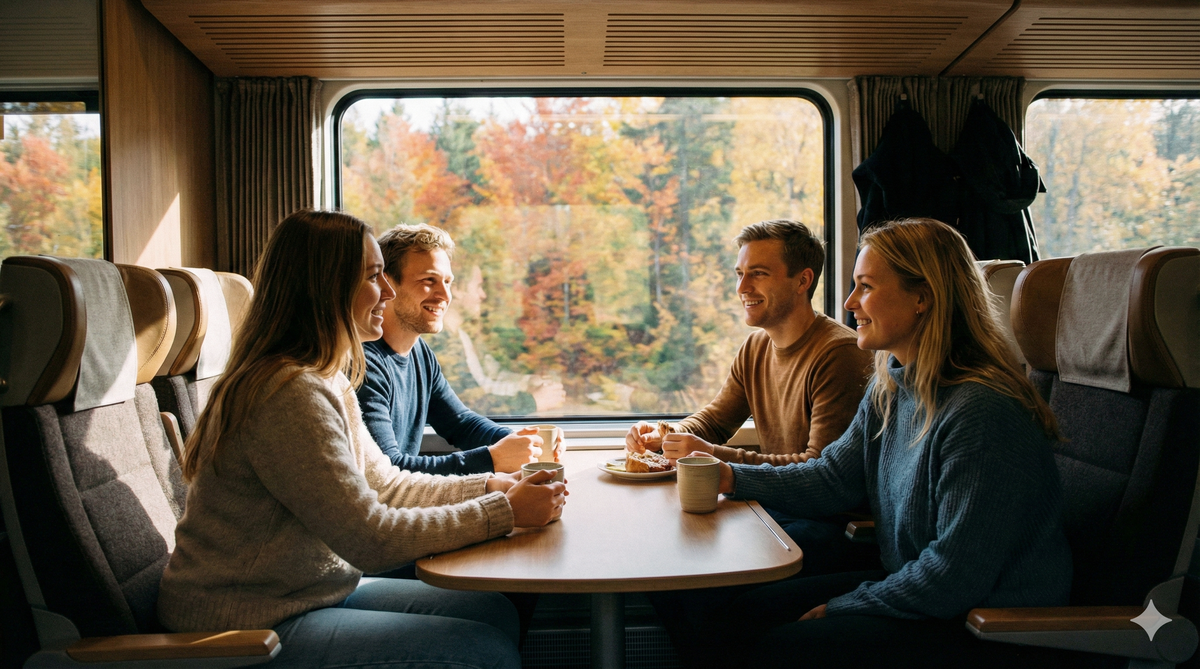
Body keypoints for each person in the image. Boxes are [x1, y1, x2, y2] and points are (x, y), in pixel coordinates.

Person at [157, 210, 567, 669]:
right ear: (326, 287)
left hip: (306, 593)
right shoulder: (286, 391)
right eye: (375, 277)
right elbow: (369, 537)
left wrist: (490, 486)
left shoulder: (325, 376)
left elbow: (386, 483)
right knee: (482, 651)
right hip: (246, 624)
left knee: (492, 610)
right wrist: (502, 511)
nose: (389, 293)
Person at [660, 218, 1071, 669]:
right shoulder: (893, 388)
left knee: (785, 648)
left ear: (922, 298)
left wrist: (845, 606)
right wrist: (731, 476)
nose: (850, 302)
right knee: (733, 614)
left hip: (983, 623)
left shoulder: (980, 412)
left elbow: (954, 575)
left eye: (866, 287)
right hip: (922, 589)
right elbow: (832, 477)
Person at [626, 219, 874, 574]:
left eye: (757, 273)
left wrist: (714, 458)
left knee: (689, 564)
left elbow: (818, 473)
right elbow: (713, 421)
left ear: (803, 280)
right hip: (776, 506)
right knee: (666, 550)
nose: (742, 286)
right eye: (739, 273)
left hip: (830, 525)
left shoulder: (840, 354)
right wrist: (665, 435)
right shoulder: (756, 346)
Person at [357, 224, 561, 476]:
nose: (444, 295)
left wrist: (520, 440)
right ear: (388, 285)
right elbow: (389, 470)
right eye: (429, 281)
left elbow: (460, 422)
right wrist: (492, 459)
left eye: (447, 282)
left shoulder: (420, 352)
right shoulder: (364, 364)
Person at [439, 264, 566, 416]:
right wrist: (532, 401)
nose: (483, 295)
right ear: (457, 290)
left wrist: (526, 383)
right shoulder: (442, 343)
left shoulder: (462, 335)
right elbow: (471, 405)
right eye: (478, 286)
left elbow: (488, 381)